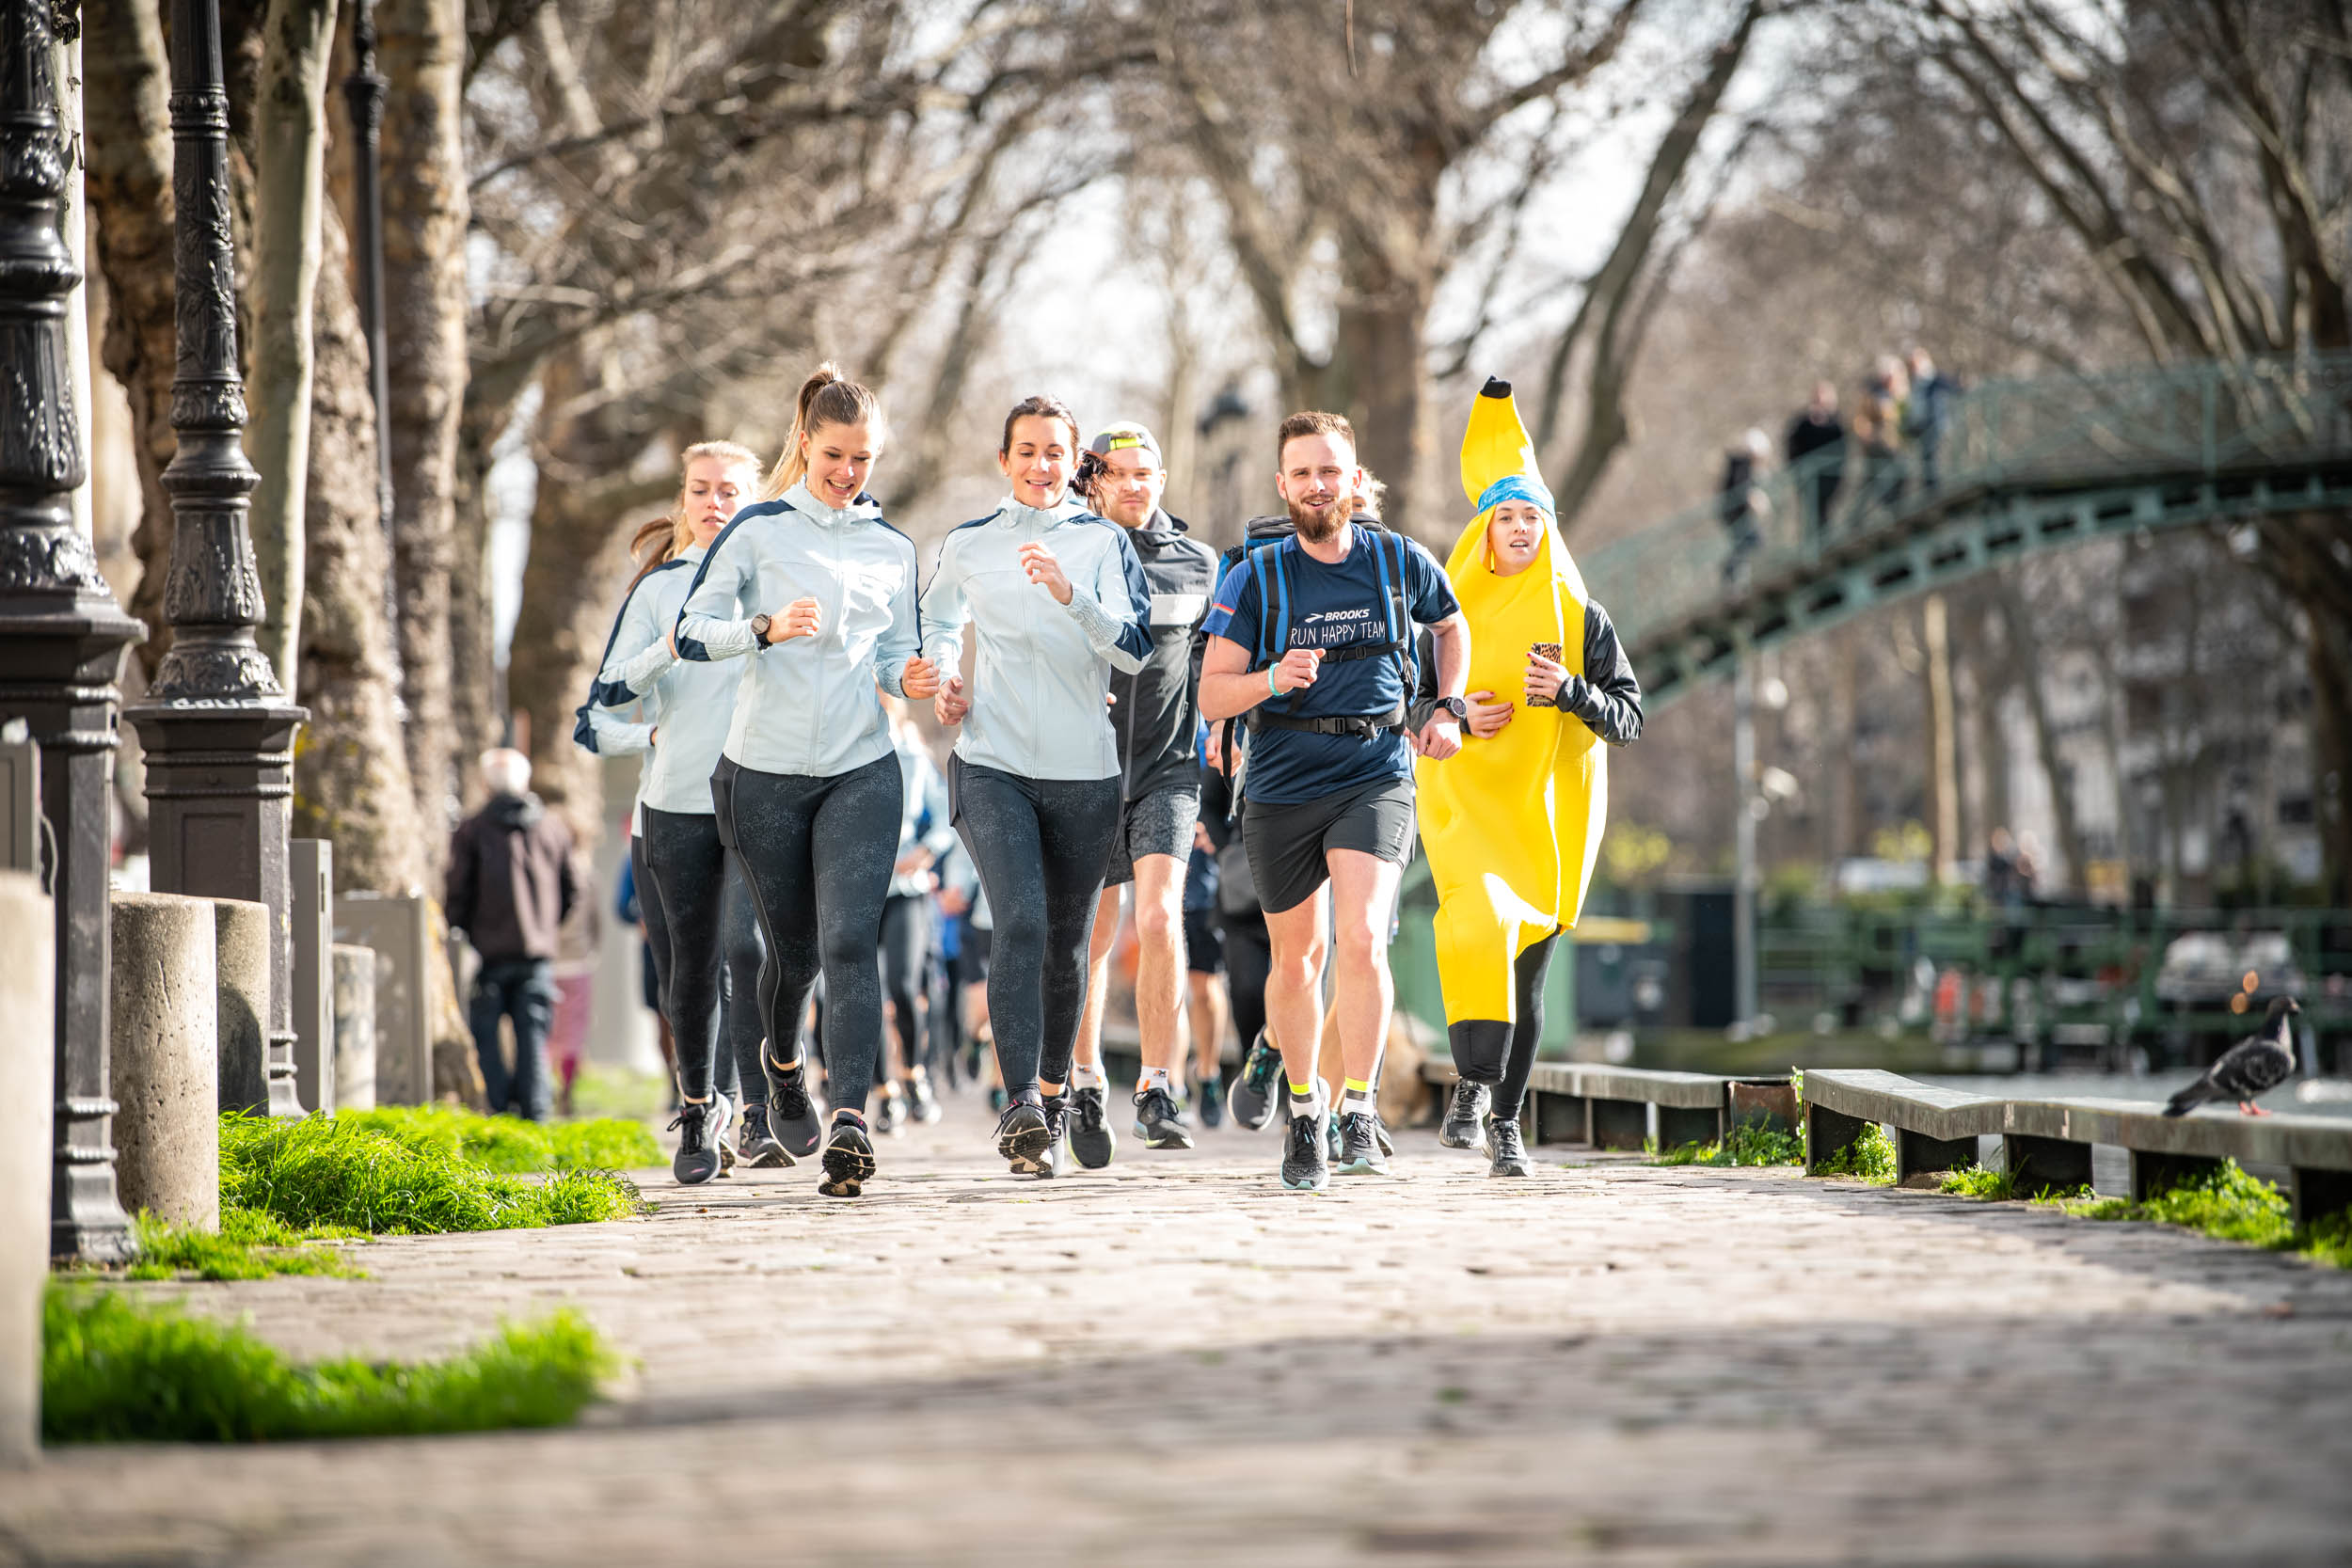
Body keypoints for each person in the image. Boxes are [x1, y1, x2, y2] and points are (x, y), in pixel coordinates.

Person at [674, 364, 938, 1198]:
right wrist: (764, 626)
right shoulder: (755, 532)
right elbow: (692, 630)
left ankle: (852, 1120)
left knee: (849, 942)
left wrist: (918, 681)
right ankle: (783, 1067)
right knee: (790, 955)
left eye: (864, 459)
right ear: (806, 444)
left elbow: (895, 658)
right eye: (835, 455)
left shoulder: (891, 548)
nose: (849, 473)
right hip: (765, 774)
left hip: (862, 768)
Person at [1197, 411, 1469, 1191]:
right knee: (1301, 957)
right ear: (1283, 487)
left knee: (1360, 938)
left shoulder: (1397, 560)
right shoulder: (1256, 577)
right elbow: (1214, 695)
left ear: (1356, 478)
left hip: (1375, 769)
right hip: (1282, 780)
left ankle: (1357, 1106)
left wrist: (1444, 705)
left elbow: (1451, 626)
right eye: (1302, 473)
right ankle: (1305, 1113)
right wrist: (1274, 679)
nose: (1318, 485)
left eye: (1331, 470)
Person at [921, 394, 1152, 1178]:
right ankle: (1020, 1101)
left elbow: (1136, 650)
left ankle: (1052, 1096)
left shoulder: (1102, 543)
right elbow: (937, 625)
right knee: (1018, 920)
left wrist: (1069, 595)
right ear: (1004, 460)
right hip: (992, 763)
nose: (1040, 465)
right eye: (1026, 450)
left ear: (1073, 460)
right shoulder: (970, 543)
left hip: (1084, 775)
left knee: (1066, 944)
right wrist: (946, 678)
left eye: (1055, 451)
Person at [1422, 377, 1644, 1176]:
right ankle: (1477, 1087)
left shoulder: (1584, 620)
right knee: (1477, 920)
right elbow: (1410, 705)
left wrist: (1571, 692)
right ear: (1483, 529)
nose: (1519, 530)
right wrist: (1453, 714)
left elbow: (1629, 717)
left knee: (1527, 972)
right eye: (1505, 517)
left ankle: (1499, 1117)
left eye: (1531, 518)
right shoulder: (1445, 614)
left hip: (1551, 820)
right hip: (1469, 810)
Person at [579, 441, 767, 1182]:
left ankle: (754, 1093)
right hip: (675, 801)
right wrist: (668, 650)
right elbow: (604, 700)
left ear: (751, 500)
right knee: (689, 970)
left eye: (729, 491)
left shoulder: (770, 583)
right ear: (683, 498)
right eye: (701, 489)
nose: (715, 502)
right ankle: (702, 1103)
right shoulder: (657, 590)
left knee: (749, 954)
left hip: (758, 796)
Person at [1062, 420, 1222, 1164]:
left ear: (1162, 478)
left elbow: (1209, 666)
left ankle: (1160, 1086)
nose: (1133, 483)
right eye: (1117, 471)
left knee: (1160, 919)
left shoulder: (1198, 564)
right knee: (1094, 935)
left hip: (1167, 770)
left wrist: (1222, 734)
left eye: (1145, 472)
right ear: (1093, 477)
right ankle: (1087, 1079)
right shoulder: (1068, 547)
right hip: (1084, 768)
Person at [445, 748, 579, 1122]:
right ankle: (536, 1116)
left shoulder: (472, 830)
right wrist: (546, 926)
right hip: (537, 954)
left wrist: (467, 929)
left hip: (489, 953)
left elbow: (457, 892)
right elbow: (573, 890)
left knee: (485, 1035)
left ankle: (499, 1113)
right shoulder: (552, 828)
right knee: (533, 1036)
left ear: (486, 785)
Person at [879, 696, 953, 1132]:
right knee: (863, 991)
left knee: (905, 986)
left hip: (906, 890)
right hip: (858, 891)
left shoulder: (914, 759)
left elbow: (943, 820)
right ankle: (883, 1093)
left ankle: (913, 1073)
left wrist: (924, 853)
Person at [1784, 381, 1845, 547]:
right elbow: (1792, 447)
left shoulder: (1836, 423)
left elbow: (1841, 447)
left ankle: (1825, 546)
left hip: (1829, 476)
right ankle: (1810, 548)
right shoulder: (1803, 423)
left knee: (1825, 514)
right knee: (1810, 515)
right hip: (1808, 477)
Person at [1717, 428, 1772, 585]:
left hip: (1739, 514)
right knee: (1749, 542)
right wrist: (1754, 499)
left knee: (1749, 544)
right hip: (1736, 514)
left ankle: (1739, 576)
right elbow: (1741, 488)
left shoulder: (1744, 465)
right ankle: (1734, 575)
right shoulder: (1742, 464)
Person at [1902, 347, 1960, 491]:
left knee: (1935, 462)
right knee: (1927, 464)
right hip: (1924, 431)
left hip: (1937, 429)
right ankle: (1931, 491)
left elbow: (1955, 391)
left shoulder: (1935, 379)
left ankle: (1937, 490)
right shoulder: (1916, 385)